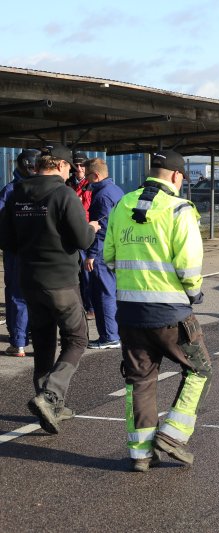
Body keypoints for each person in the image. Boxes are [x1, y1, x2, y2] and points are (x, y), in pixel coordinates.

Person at [104, 150, 211, 472]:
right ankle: (173, 436)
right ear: (177, 176)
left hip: (128, 312)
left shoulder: (123, 204)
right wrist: (194, 292)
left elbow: (109, 256)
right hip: (170, 313)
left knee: (140, 380)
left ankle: (140, 453)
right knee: (199, 369)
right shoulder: (180, 209)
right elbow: (188, 263)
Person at [0, 144, 99, 434]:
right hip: (61, 281)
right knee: (78, 339)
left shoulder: (16, 193)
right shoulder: (63, 194)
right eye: (69, 167)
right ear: (59, 166)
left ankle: (50, 405)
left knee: (43, 343)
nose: (70, 172)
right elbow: (82, 240)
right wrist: (92, 228)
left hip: (30, 279)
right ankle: (50, 395)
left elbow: (6, 241)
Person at [0, 149, 38, 356]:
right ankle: (32, 336)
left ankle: (19, 341)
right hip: (40, 251)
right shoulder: (48, 189)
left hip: (16, 251)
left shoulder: (11, 190)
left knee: (17, 294)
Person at [84, 158, 124, 350]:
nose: (86, 179)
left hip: (102, 253)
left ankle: (109, 336)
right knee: (111, 293)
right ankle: (113, 332)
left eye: (88, 175)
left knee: (102, 295)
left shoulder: (102, 197)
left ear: (96, 175)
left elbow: (102, 229)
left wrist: (91, 254)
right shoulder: (116, 190)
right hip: (115, 249)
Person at [70, 151, 95, 320]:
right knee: (74, 273)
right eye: (76, 165)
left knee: (87, 272)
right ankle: (77, 306)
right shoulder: (67, 183)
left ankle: (91, 306)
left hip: (87, 231)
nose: (79, 168)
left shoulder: (92, 184)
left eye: (82, 165)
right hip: (71, 231)